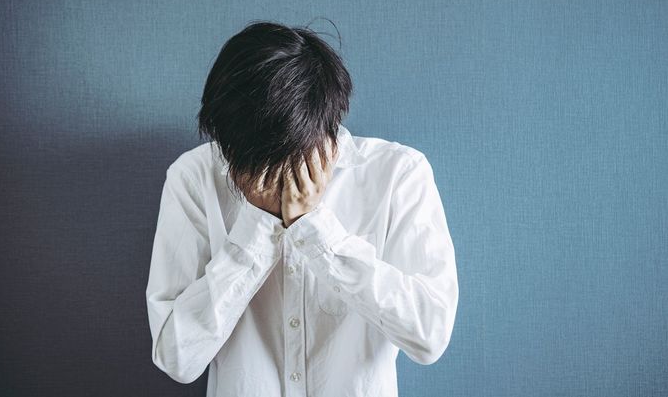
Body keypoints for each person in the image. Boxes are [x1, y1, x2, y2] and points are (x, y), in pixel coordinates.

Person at [145, 20, 459, 396]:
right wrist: (257, 226)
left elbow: (429, 337)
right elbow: (177, 359)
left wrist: (315, 228)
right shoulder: (194, 177)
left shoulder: (398, 175)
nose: (274, 174)